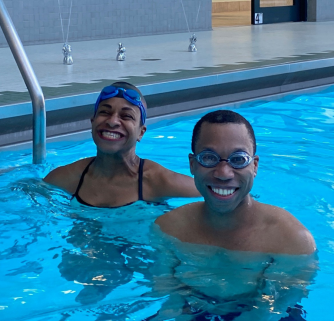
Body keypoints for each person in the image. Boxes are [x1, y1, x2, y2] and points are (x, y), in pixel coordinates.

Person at [155, 109, 316, 255]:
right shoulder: (169, 228)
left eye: (238, 159)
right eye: (209, 158)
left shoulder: (290, 240)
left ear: (254, 166)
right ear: (192, 164)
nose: (224, 173)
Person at [44, 81, 200, 207]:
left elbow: (210, 194)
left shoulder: (157, 181)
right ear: (92, 122)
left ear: (141, 132)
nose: (112, 122)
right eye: (105, 112)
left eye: (127, 116)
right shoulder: (67, 178)